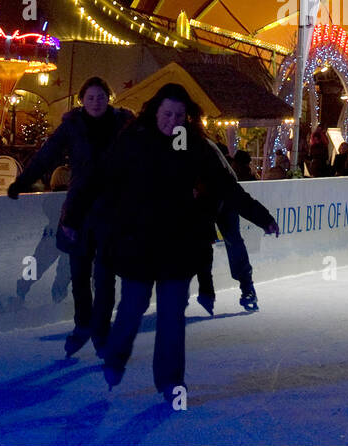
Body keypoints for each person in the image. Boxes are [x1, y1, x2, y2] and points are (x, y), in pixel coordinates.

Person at [91, 83, 279, 403]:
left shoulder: (193, 145)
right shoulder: (134, 138)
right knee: (132, 308)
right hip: (138, 245)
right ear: (155, 111)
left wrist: (262, 216)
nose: (173, 121)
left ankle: (170, 382)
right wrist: (86, 221)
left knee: (172, 317)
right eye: (167, 114)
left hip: (177, 246)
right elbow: (104, 182)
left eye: (180, 115)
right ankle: (115, 359)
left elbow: (226, 186)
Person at [9, 77, 134, 357]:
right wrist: (23, 181)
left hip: (112, 210)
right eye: (90, 97)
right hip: (79, 210)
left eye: (101, 96)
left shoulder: (124, 125)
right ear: (82, 100)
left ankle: (101, 331)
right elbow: (47, 155)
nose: (96, 102)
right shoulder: (72, 127)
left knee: (104, 277)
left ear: (109, 98)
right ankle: (82, 326)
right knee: (78, 275)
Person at [195, 136, 280, 315]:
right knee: (201, 243)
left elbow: (240, 198)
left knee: (233, 239)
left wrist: (265, 220)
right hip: (204, 203)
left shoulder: (218, 175)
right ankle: (206, 291)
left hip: (224, 198)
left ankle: (247, 288)